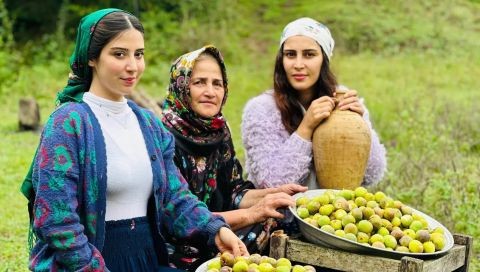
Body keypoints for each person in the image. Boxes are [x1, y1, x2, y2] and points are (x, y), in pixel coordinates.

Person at [19, 9, 247, 272]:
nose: (132, 66)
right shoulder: (69, 124)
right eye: (119, 54)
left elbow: (175, 198)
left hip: (146, 260)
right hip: (88, 264)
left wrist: (215, 230)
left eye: (138, 54)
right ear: (92, 58)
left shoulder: (149, 124)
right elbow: (56, 221)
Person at [161, 45, 307, 270]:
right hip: (180, 243)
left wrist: (273, 194)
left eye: (217, 83)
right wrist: (251, 214)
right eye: (199, 82)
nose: (211, 91)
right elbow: (179, 216)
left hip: (220, 230)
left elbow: (234, 190)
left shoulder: (218, 130)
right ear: (181, 85)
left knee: (273, 220)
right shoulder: (161, 137)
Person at [241, 17, 387, 190]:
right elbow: (271, 183)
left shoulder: (341, 101)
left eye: (309, 54)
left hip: (333, 212)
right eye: (290, 54)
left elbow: (372, 174)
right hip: (280, 215)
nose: (298, 64)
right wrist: (306, 128)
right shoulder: (261, 109)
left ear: (324, 59)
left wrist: (361, 126)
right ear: (281, 60)